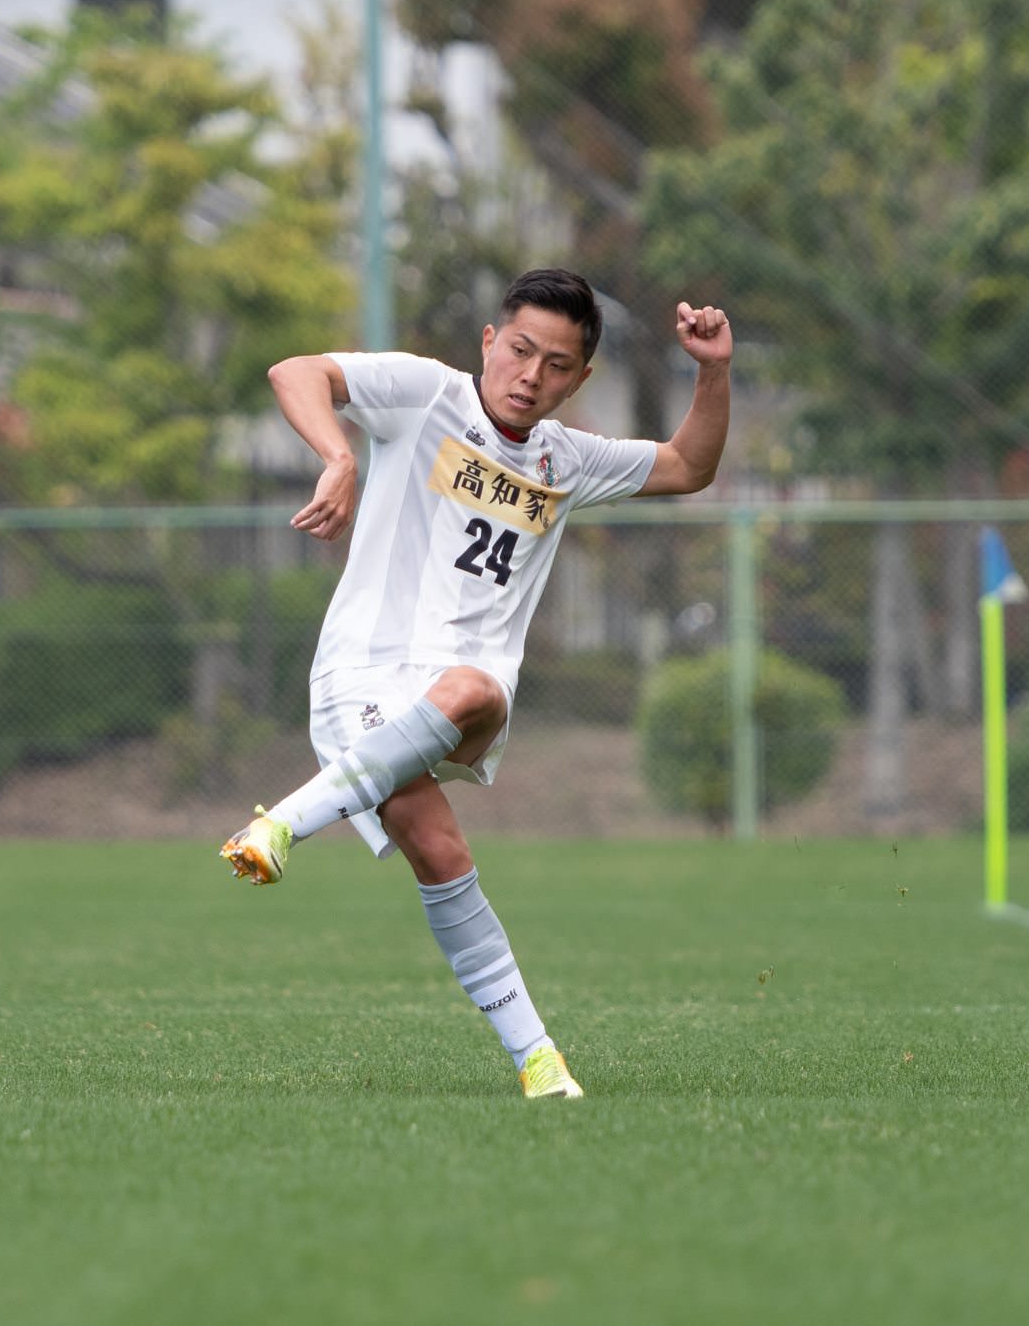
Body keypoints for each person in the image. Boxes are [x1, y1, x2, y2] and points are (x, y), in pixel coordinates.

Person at [218, 268, 731, 1100]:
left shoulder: (568, 458)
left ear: (580, 379)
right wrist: (338, 456)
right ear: (490, 342)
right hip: (361, 674)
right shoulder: (426, 395)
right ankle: (540, 1061)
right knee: (443, 851)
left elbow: (687, 465)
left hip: (461, 692)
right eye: (520, 350)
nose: (531, 375)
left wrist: (713, 370)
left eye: (556, 365)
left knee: (475, 690)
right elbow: (296, 371)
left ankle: (280, 823)